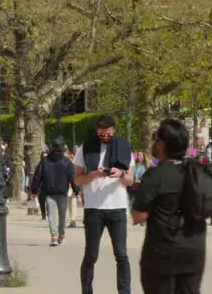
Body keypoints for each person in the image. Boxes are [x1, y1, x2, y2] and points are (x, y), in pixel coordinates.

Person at [129, 119, 205, 293]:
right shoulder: (198, 172)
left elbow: (138, 216)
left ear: (162, 144)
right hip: (194, 250)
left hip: (163, 253)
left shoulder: (155, 175)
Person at [74, 114, 134, 294]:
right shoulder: (85, 148)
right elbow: (77, 179)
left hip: (117, 207)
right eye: (102, 134)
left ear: (113, 130)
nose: (105, 137)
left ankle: (124, 292)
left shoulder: (123, 147)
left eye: (108, 134)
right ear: (97, 131)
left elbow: (131, 180)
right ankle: (87, 290)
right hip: (94, 208)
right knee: (91, 254)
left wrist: (121, 174)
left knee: (122, 254)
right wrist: (93, 175)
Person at [35, 140, 75, 246]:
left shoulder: (44, 161)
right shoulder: (67, 162)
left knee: (51, 215)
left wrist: (34, 190)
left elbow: (37, 176)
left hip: (49, 191)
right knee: (62, 215)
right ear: (63, 149)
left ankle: (54, 237)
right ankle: (61, 235)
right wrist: (77, 190)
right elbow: (72, 177)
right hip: (62, 192)